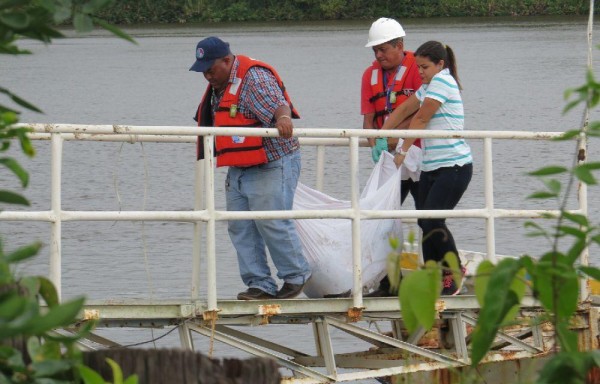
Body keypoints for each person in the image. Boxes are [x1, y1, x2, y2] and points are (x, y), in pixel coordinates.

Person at [189, 36, 311, 300]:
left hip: (272, 161)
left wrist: (283, 118)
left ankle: (295, 276)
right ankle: (260, 284)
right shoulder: (218, 85)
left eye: (211, 68)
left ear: (227, 59)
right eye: (203, 71)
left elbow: (278, 104)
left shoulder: (253, 78)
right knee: (239, 226)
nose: (208, 75)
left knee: (272, 221)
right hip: (239, 167)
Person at [381, 40, 472, 296]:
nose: (420, 72)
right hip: (432, 166)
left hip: (454, 165)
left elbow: (421, 118)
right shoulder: (428, 85)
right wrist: (380, 133)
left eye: (424, 67)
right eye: (418, 67)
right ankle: (437, 276)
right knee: (425, 221)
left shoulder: (443, 81)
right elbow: (405, 109)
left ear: (440, 64)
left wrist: (403, 149)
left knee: (432, 220)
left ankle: (453, 271)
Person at [361, 17, 423, 297]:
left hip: (419, 153)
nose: (378, 55)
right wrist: (374, 143)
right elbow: (368, 120)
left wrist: (397, 140)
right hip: (389, 157)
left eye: (383, 49)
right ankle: (390, 280)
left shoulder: (419, 69)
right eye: (375, 50)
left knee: (428, 216)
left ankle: (435, 276)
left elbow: (422, 115)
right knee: (382, 219)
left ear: (400, 45)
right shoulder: (369, 75)